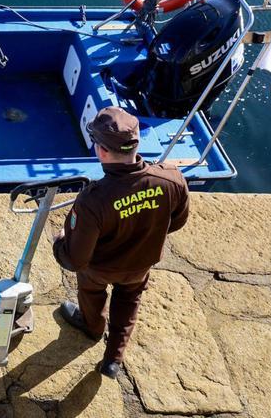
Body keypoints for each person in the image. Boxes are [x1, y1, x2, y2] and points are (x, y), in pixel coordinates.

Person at [53, 107, 190, 378]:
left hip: (99, 268)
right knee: (129, 299)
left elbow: (76, 259)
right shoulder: (171, 179)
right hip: (140, 264)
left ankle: (92, 327)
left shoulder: (94, 200)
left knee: (92, 295)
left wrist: (59, 243)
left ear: (102, 152)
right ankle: (113, 358)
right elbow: (177, 221)